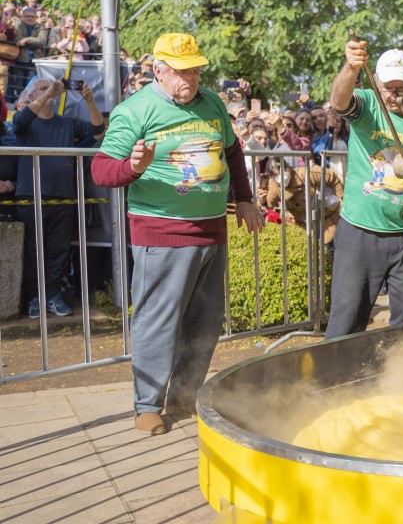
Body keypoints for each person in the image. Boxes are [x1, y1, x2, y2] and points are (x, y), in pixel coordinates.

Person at [90, 33, 264, 436]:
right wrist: (133, 166)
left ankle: (185, 398)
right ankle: (147, 406)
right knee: (158, 321)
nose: (192, 78)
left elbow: (233, 151)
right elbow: (101, 170)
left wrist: (245, 199)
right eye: (183, 71)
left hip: (211, 231)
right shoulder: (135, 111)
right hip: (161, 232)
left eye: (197, 70)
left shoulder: (212, 102)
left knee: (204, 322)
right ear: (159, 70)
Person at [324, 44, 403, 338]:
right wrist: (351, 67)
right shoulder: (367, 104)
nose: (394, 95)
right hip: (360, 232)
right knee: (346, 320)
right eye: (388, 87)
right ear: (375, 82)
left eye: (402, 87)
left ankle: (400, 379)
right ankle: (337, 381)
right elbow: (339, 101)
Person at [13, 79, 105, 318]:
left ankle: (52, 295)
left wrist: (90, 101)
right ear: (31, 98)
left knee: (58, 250)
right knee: (34, 250)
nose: (50, 91)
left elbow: (97, 129)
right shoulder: (26, 123)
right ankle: (35, 297)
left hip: (63, 196)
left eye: (51, 88)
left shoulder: (67, 122)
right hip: (30, 195)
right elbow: (19, 122)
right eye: (42, 89)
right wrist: (49, 92)